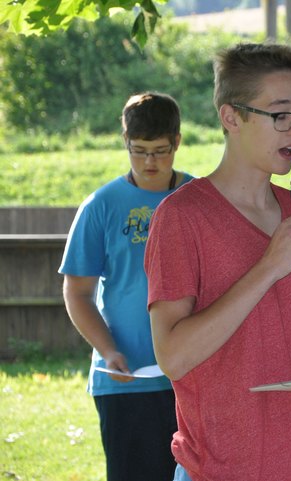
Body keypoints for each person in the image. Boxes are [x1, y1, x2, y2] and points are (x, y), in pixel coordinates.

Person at [143, 43, 291, 481]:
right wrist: (269, 265)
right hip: (218, 468)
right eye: (280, 115)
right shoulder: (180, 217)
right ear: (231, 116)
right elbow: (173, 356)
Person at [59, 92, 193, 481]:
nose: (150, 162)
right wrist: (107, 350)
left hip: (190, 377)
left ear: (178, 142)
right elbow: (77, 293)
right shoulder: (101, 205)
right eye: (139, 151)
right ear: (125, 143)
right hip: (123, 380)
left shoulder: (200, 199)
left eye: (161, 151)